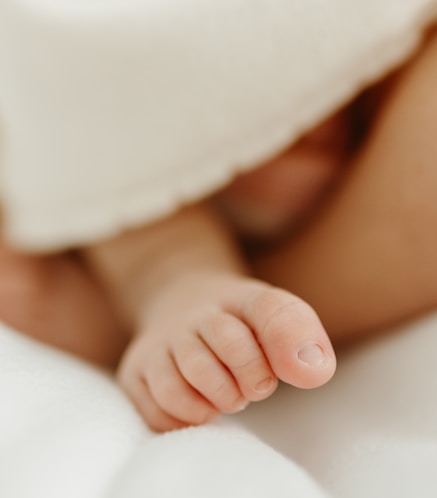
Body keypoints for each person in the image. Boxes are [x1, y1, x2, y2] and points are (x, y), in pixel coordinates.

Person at [0, 30, 436, 432]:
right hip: (133, 126)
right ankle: (170, 276)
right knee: (66, 59)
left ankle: (183, 299)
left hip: (386, 115)